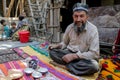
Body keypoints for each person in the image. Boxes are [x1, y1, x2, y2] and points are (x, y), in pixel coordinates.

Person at [49, 3, 100, 75]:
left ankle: (67, 66)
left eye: (81, 16)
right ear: (73, 16)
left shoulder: (93, 29)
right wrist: (57, 45)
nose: (78, 19)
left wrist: (74, 56)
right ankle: (74, 67)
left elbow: (94, 53)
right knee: (52, 52)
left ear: (87, 17)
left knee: (94, 66)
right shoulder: (70, 27)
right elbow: (65, 43)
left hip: (83, 57)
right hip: (69, 52)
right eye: (76, 16)